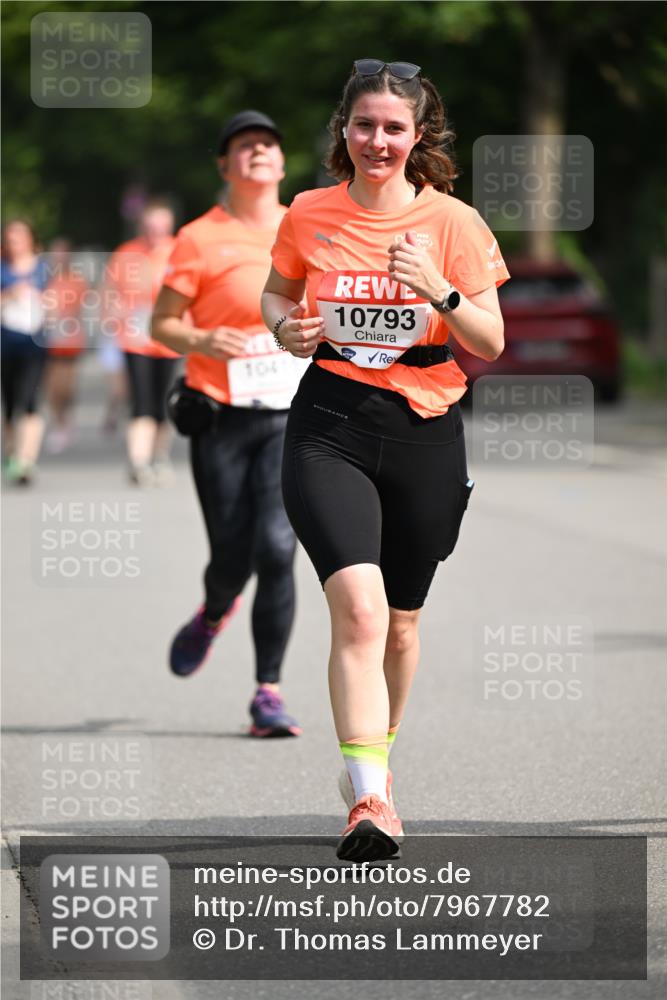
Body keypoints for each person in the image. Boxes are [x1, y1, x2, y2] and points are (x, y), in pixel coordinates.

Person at [262, 59, 509, 860]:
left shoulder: (454, 223)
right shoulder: (309, 211)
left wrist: (438, 289)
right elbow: (277, 292)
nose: (376, 140)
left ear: (418, 137)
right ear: (344, 131)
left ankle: (378, 759)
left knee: (401, 624)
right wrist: (283, 328)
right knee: (360, 613)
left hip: (424, 426)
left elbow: (490, 341)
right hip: (329, 418)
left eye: (393, 128)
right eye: (363, 125)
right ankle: (368, 797)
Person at [151, 110, 307, 737]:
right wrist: (202, 338)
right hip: (219, 414)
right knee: (231, 556)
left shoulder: (311, 224)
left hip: (290, 413)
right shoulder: (197, 237)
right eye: (244, 146)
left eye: (268, 143)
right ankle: (214, 611)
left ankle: (267, 692)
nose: (258, 152)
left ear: (282, 162)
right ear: (226, 166)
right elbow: (160, 325)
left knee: (277, 549)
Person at [103, 201, 180, 485]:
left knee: (164, 404)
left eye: (161, 227)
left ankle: (159, 456)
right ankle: (138, 462)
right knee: (141, 402)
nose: (155, 233)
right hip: (135, 339)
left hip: (171, 338)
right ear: (141, 227)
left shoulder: (179, 251)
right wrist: (114, 315)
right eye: (150, 227)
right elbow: (110, 293)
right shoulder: (126, 254)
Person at [1, 219, 49, 485]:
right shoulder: (2, 268)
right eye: (10, 238)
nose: (14, 243)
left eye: (19, 237)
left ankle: (26, 460)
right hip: (5, 344)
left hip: (36, 344)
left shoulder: (45, 268)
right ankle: (11, 452)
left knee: (29, 400)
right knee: (10, 404)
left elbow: (63, 299)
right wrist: (10, 295)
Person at [43, 238, 89, 454]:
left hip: (70, 340)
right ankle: (57, 423)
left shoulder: (76, 281)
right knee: (52, 387)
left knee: (66, 387)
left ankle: (66, 421)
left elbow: (80, 309)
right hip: (48, 340)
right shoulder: (44, 279)